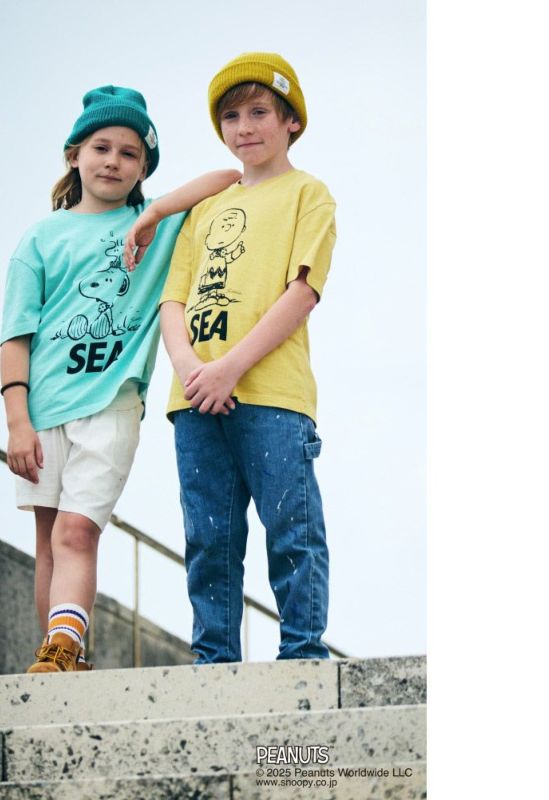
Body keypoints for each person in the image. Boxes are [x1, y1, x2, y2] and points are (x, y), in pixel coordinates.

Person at [0, 85, 239, 673]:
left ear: (143, 169)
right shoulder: (40, 238)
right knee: (49, 542)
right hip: (43, 410)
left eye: (130, 153)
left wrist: (153, 213)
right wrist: (17, 423)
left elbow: (228, 177)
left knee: (77, 533)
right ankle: (59, 658)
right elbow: (15, 337)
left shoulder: (154, 226)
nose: (113, 161)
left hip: (111, 404)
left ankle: (66, 647)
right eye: (101, 147)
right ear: (74, 155)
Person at [155, 52, 337, 662]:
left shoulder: (308, 194)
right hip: (194, 398)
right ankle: (213, 663)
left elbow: (302, 293)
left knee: (292, 530)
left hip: (272, 395)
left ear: (291, 121)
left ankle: (302, 656)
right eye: (231, 117)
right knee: (209, 540)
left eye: (259, 112)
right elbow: (173, 299)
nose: (244, 127)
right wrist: (190, 370)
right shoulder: (205, 209)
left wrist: (229, 368)